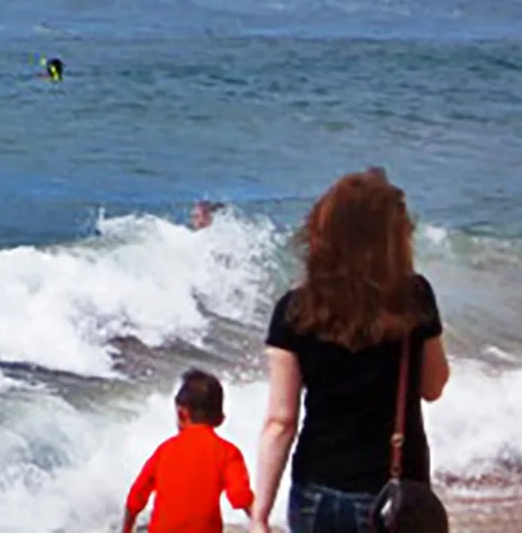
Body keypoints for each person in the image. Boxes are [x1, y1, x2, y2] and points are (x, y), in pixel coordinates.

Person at [249, 169, 450, 533]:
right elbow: (433, 387)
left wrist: (260, 512)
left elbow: (281, 422)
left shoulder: (293, 309)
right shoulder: (414, 297)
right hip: (389, 496)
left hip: (314, 492)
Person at [122, 369, 252, 533]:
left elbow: (135, 497)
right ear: (220, 419)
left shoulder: (164, 450)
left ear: (181, 413)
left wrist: (126, 530)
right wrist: (261, 523)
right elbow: (240, 496)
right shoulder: (228, 452)